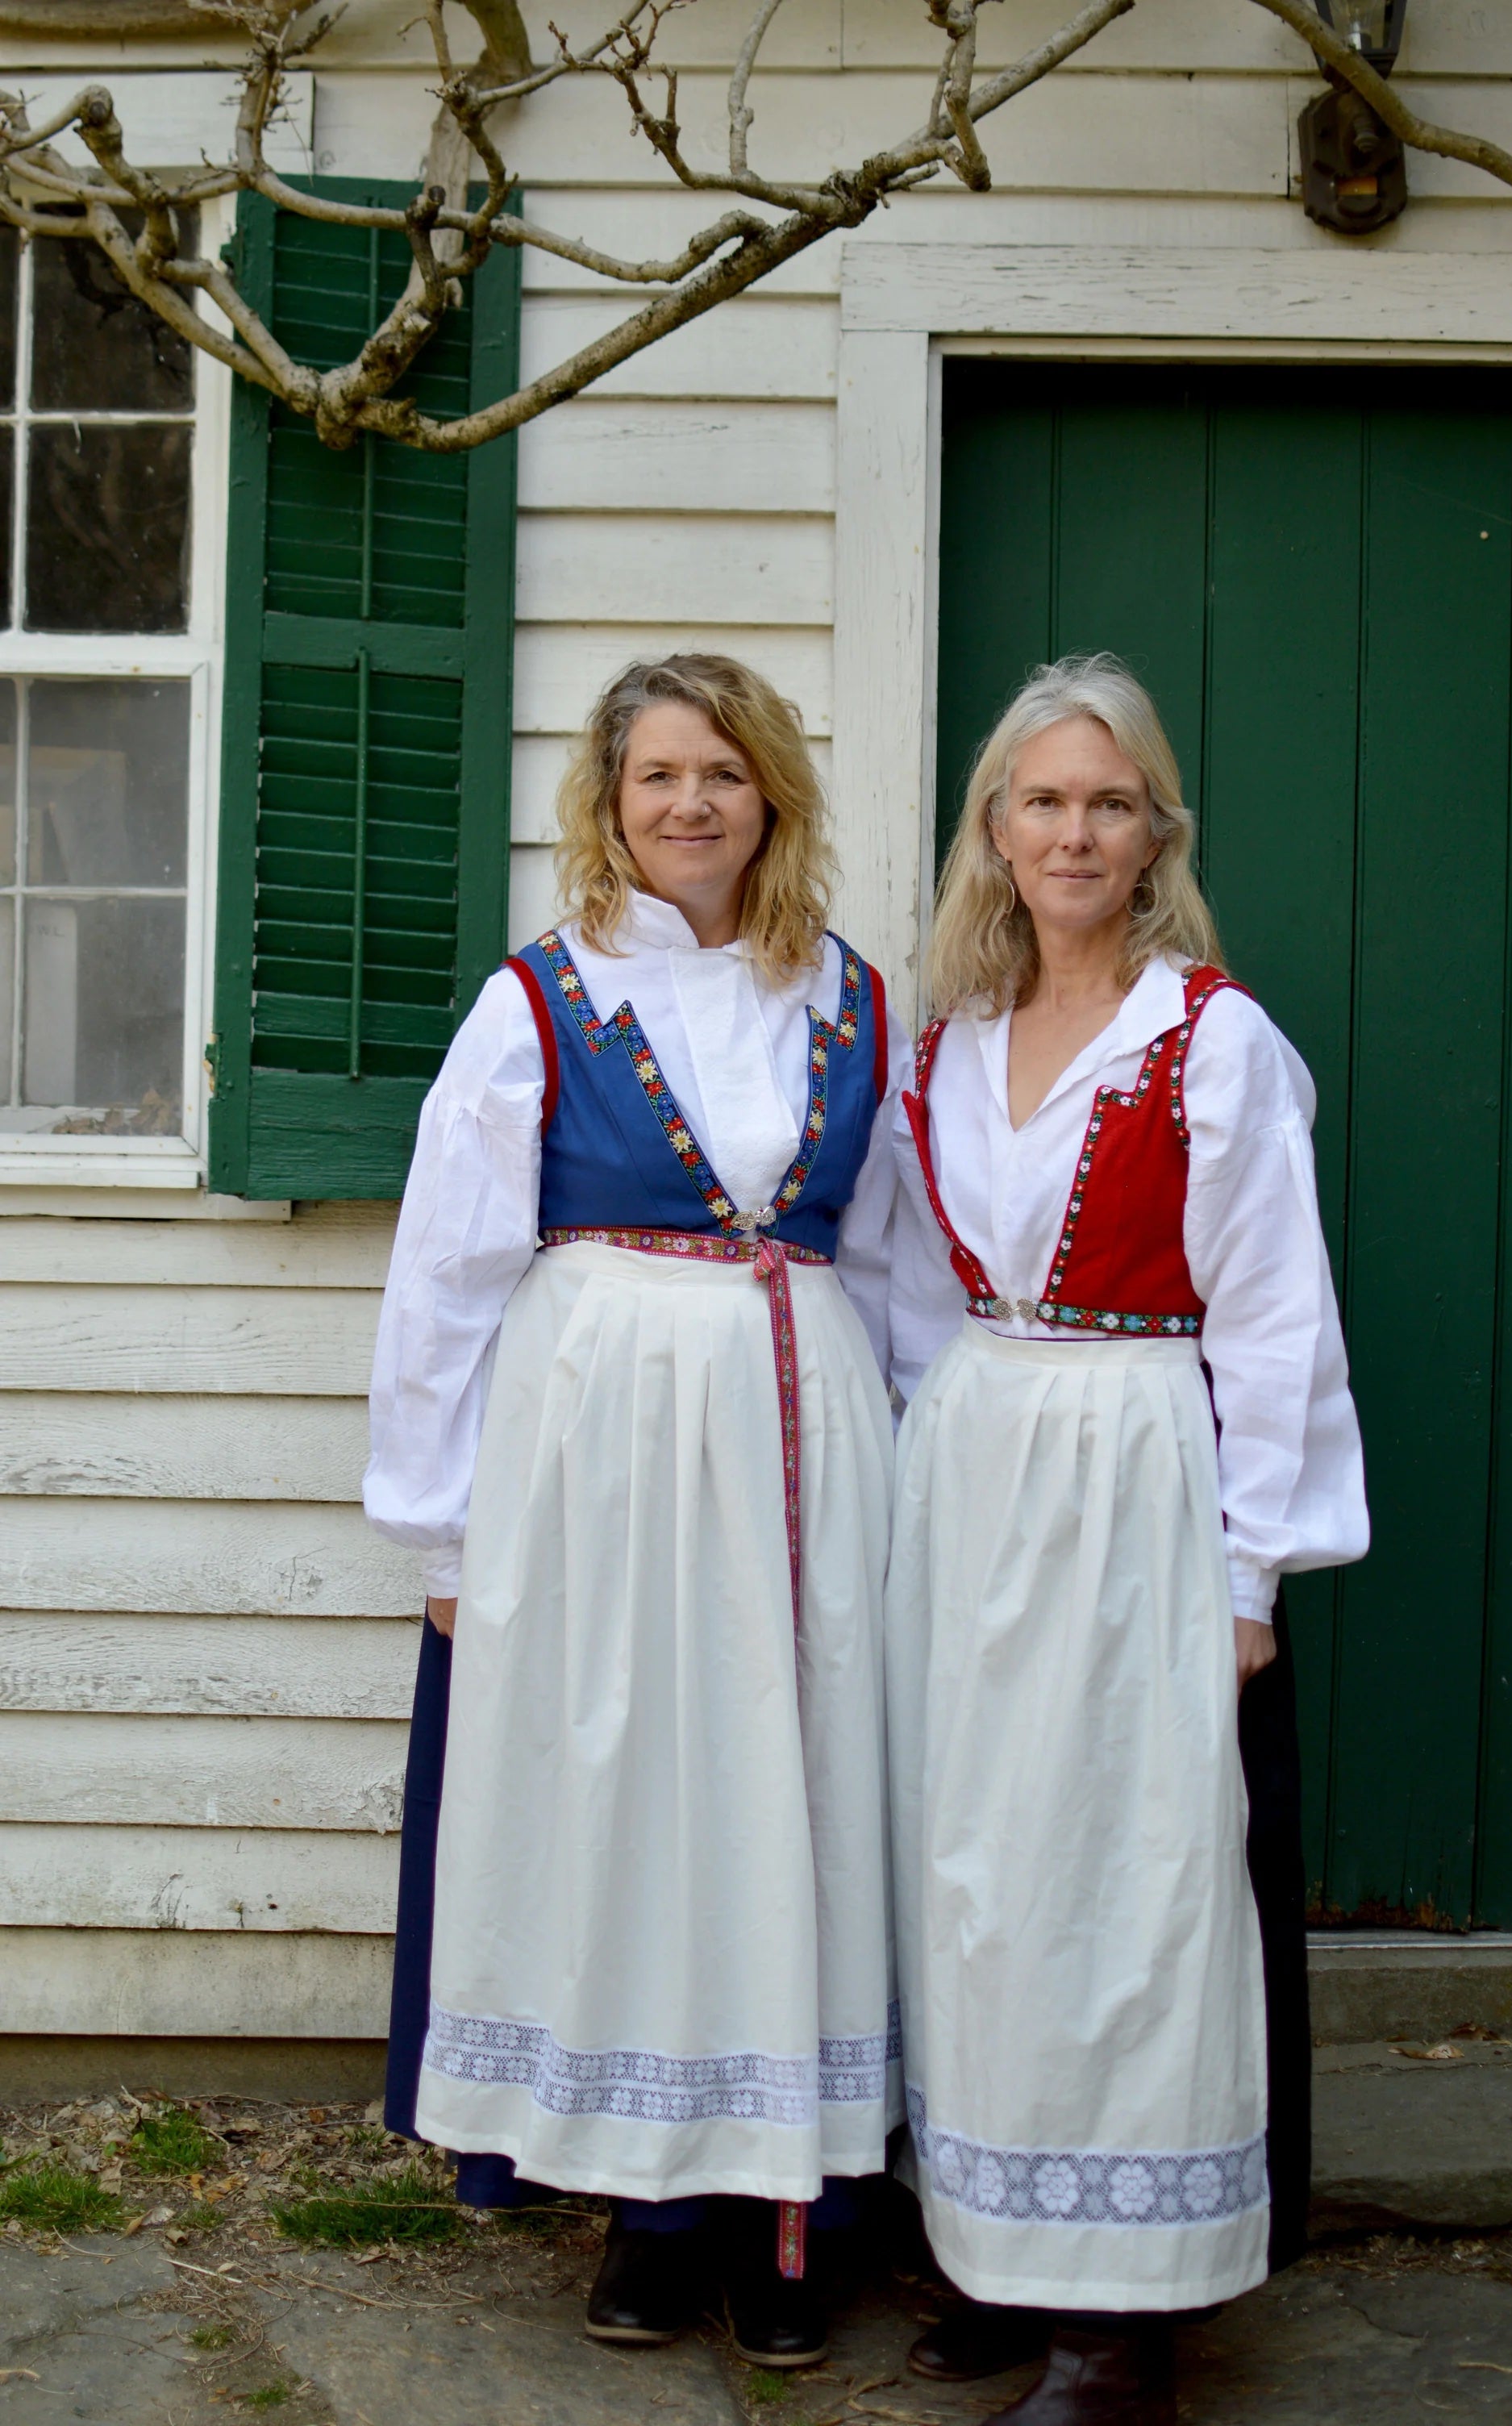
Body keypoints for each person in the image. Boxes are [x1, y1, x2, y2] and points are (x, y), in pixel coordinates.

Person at [364, 654, 910, 2367]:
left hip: (805, 1434)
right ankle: (650, 2208)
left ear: (774, 797)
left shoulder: (850, 995)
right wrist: (444, 1529)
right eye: (658, 774)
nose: (691, 804)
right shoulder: (539, 999)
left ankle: (785, 2211)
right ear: (608, 801)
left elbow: (893, 1267)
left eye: (723, 774)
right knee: (637, 1791)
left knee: (795, 1790)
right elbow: (445, 1275)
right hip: (597, 1459)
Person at [884, 655, 1368, 2424]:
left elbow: (1275, 1321)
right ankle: (1005, 2247)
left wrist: (1248, 1570)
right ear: (994, 831)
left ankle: (1123, 2319)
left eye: (1106, 801)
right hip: (978, 1473)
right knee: (981, 1874)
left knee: (1129, 1878)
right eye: (1040, 800)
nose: (1071, 831)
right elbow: (918, 1301)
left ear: (1153, 829)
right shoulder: (945, 1045)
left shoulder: (1213, 1040)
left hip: (1138, 1471)